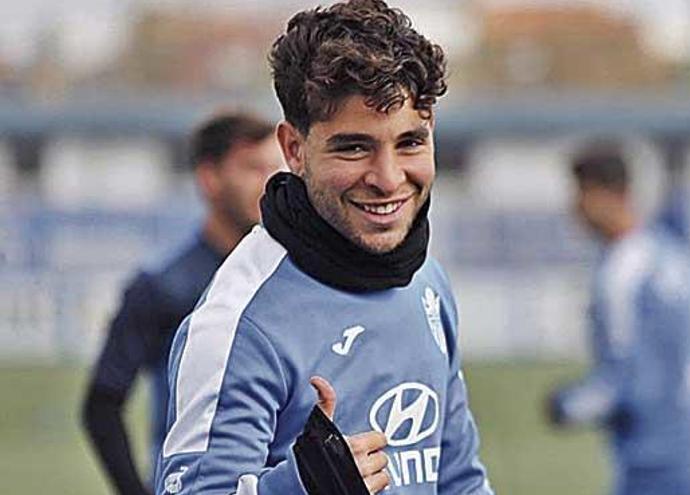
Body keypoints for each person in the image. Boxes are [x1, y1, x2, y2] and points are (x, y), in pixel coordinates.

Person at [155, 1, 493, 494]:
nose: (388, 179)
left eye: (410, 143)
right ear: (293, 149)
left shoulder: (426, 281)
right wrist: (303, 488)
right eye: (353, 147)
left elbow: (458, 480)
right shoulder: (238, 324)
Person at [81, 111, 279, 495]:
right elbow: (102, 404)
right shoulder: (162, 285)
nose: (270, 181)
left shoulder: (294, 276)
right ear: (210, 178)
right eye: (253, 168)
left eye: (276, 167)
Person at [547, 145, 690, 495]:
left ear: (605, 194)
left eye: (580, 193)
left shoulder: (622, 271)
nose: (575, 208)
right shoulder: (667, 252)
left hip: (656, 455)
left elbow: (624, 377)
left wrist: (568, 405)